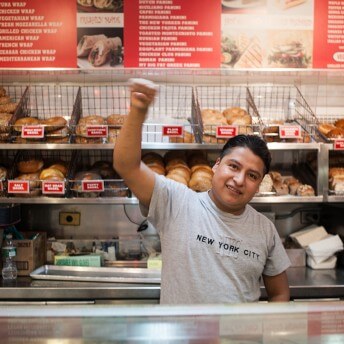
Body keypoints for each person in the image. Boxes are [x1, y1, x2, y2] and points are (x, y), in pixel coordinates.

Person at [113, 79, 291, 304]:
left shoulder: (265, 229)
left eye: (252, 175)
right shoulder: (176, 202)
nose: (239, 180)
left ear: (259, 183)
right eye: (233, 166)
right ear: (216, 165)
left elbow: (280, 293)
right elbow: (126, 166)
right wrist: (138, 111)